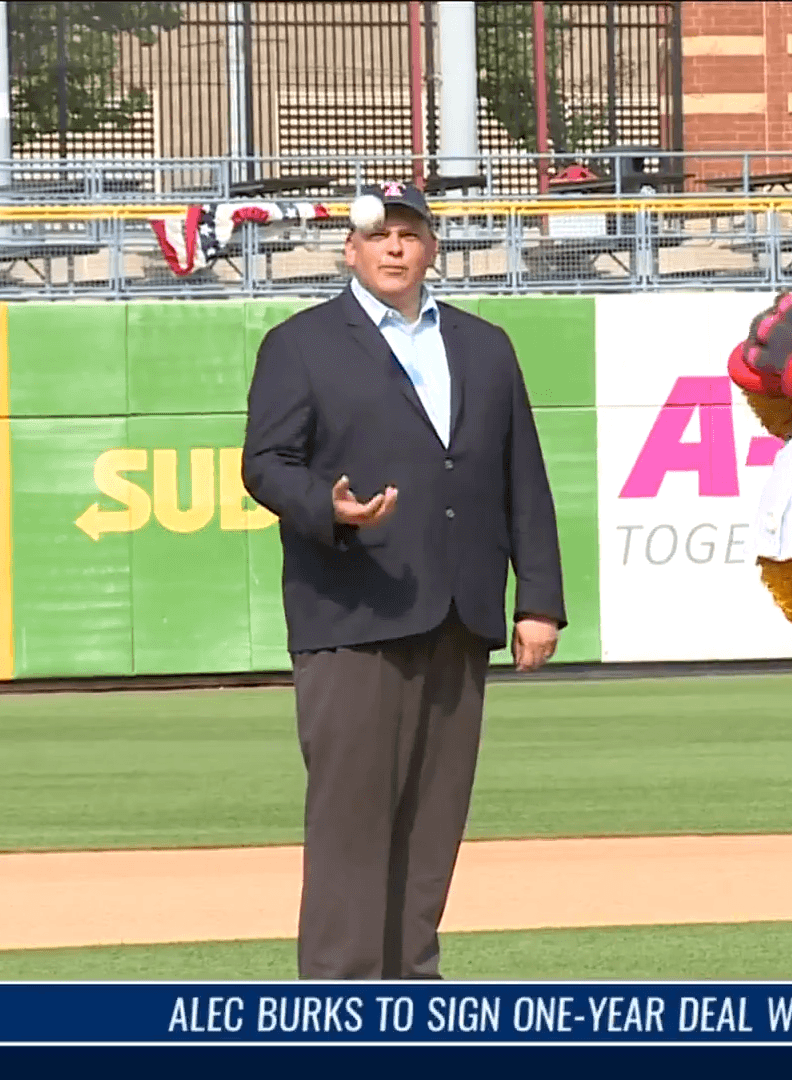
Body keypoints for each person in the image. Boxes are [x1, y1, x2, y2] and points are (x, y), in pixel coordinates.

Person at [242, 180, 566, 980]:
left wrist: (539, 602)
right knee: (352, 823)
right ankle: (341, 1000)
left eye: (409, 233)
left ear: (431, 247)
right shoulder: (303, 343)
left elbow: (520, 475)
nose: (394, 247)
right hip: (352, 610)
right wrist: (327, 504)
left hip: (458, 613)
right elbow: (264, 463)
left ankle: (412, 989)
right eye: (378, 234)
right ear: (349, 250)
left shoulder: (486, 345)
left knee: (433, 823)